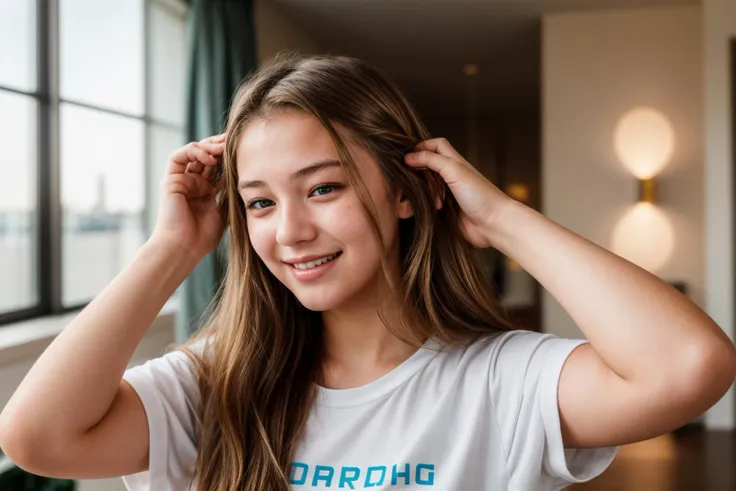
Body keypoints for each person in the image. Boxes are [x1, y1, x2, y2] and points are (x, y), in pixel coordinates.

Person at [1, 53, 735, 491]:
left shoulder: (502, 381)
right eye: (258, 202)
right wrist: (171, 248)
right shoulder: (213, 383)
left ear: (405, 193)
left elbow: (690, 364)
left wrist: (501, 220)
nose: (290, 231)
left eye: (324, 187)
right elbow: (35, 435)